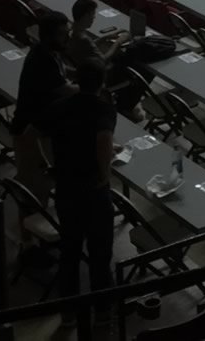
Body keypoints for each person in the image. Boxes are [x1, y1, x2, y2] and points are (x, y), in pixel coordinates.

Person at [42, 59, 118, 326]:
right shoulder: (104, 109)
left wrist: (51, 163)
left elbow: (43, 136)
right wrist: (104, 173)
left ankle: (68, 313)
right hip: (93, 190)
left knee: (70, 251)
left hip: (66, 188)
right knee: (100, 253)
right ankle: (103, 312)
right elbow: (104, 142)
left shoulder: (59, 107)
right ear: (102, 83)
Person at [13, 11, 69, 201]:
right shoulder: (41, 59)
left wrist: (80, 72)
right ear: (49, 35)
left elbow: (62, 72)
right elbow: (64, 89)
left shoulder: (50, 51)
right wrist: (90, 83)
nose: (66, 37)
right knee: (33, 192)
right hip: (30, 133)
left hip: (43, 128)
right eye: (62, 34)